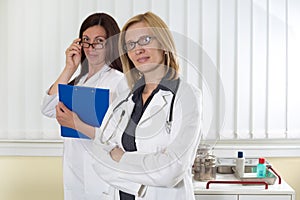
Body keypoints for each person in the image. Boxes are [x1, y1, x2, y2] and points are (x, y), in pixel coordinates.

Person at [60, 11, 202, 200]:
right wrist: (146, 173)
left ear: (164, 44)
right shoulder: (124, 98)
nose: (138, 50)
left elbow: (172, 170)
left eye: (145, 40)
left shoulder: (186, 96)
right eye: (131, 45)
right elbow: (100, 159)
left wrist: (121, 158)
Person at [41, 13, 128, 199]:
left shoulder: (119, 81)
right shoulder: (79, 81)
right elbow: (48, 108)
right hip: (75, 172)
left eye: (99, 41)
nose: (91, 48)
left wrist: (75, 123)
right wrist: (69, 68)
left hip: (102, 176)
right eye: (86, 41)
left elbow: (119, 136)